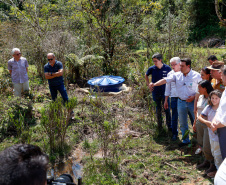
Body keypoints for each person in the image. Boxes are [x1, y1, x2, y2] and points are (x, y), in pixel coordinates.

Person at [149, 58, 202, 147]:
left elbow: (201, 88)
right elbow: (165, 80)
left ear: (188, 66)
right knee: (182, 122)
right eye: (180, 65)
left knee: (196, 121)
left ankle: (198, 141)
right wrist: (154, 84)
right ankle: (185, 140)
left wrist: (194, 97)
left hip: (193, 102)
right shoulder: (176, 75)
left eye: (182, 66)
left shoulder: (196, 75)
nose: (180, 67)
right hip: (180, 102)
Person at [197, 90, 221, 177]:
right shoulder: (209, 107)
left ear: (220, 99)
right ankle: (214, 168)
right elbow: (200, 117)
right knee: (213, 152)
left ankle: (218, 173)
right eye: (212, 98)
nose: (214, 100)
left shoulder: (222, 109)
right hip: (211, 134)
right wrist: (207, 122)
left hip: (219, 135)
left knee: (218, 154)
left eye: (216, 98)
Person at [145, 53, 171, 131]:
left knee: (167, 109)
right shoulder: (152, 69)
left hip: (165, 93)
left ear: (160, 60)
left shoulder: (167, 68)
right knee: (158, 109)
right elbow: (146, 75)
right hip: (155, 92)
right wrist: (148, 84)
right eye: (153, 61)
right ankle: (160, 127)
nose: (154, 63)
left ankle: (169, 126)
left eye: (156, 61)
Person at [211, 65, 226, 160]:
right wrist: (214, 120)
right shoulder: (225, 90)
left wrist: (217, 125)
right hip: (220, 127)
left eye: (223, 76)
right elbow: (220, 108)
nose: (221, 78)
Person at [164, 57, 180, 141]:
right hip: (173, 97)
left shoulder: (183, 72)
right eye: (172, 65)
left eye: (175, 64)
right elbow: (167, 88)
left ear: (179, 64)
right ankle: (174, 133)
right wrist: (166, 100)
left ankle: (192, 134)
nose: (173, 66)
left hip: (183, 98)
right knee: (174, 116)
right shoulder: (170, 73)